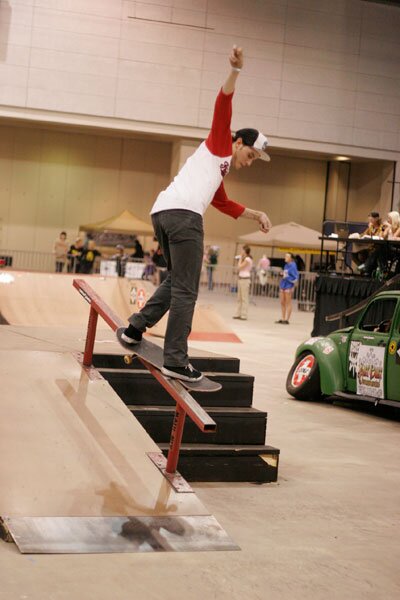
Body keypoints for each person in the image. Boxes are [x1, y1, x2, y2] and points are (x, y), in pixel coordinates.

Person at [118, 45, 272, 382]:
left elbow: (223, 203)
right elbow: (223, 105)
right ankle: (175, 358)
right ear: (237, 142)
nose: (250, 162)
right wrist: (236, 71)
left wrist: (257, 213)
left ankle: (134, 327)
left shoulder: (215, 169)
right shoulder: (220, 143)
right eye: (250, 155)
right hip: (184, 218)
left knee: (176, 281)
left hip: (162, 214)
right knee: (187, 291)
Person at [276, 253, 298, 324]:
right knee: (282, 302)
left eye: (287, 256)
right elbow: (285, 274)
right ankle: (283, 318)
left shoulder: (293, 266)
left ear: (291, 258)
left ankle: (287, 319)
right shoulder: (286, 265)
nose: (285, 257)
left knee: (288, 302)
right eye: (285, 256)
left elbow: (295, 278)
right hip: (283, 284)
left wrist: (288, 278)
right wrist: (282, 274)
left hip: (288, 285)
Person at [233, 245, 253, 320]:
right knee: (239, 298)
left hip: (245, 279)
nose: (241, 252)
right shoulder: (245, 259)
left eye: (242, 250)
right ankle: (238, 313)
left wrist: (240, 258)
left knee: (244, 298)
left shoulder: (247, 259)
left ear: (245, 251)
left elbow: (240, 267)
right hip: (241, 278)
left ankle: (244, 314)